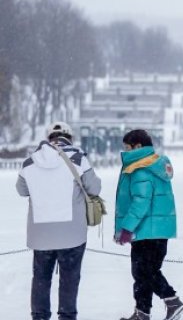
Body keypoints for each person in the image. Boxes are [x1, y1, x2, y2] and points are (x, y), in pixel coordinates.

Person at [16, 122, 102, 320]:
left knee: (41, 279)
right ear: (69, 138)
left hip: (41, 234)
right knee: (70, 280)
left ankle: (39, 316)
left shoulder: (30, 161)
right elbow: (95, 189)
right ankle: (67, 316)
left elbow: (21, 190)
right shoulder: (79, 159)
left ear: (49, 138)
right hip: (72, 234)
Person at [115, 129, 183, 320]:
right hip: (157, 230)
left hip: (146, 230)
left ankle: (172, 301)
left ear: (138, 147)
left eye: (127, 147)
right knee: (144, 272)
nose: (124, 151)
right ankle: (142, 312)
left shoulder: (141, 169)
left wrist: (127, 227)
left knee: (144, 272)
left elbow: (141, 201)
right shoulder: (154, 164)